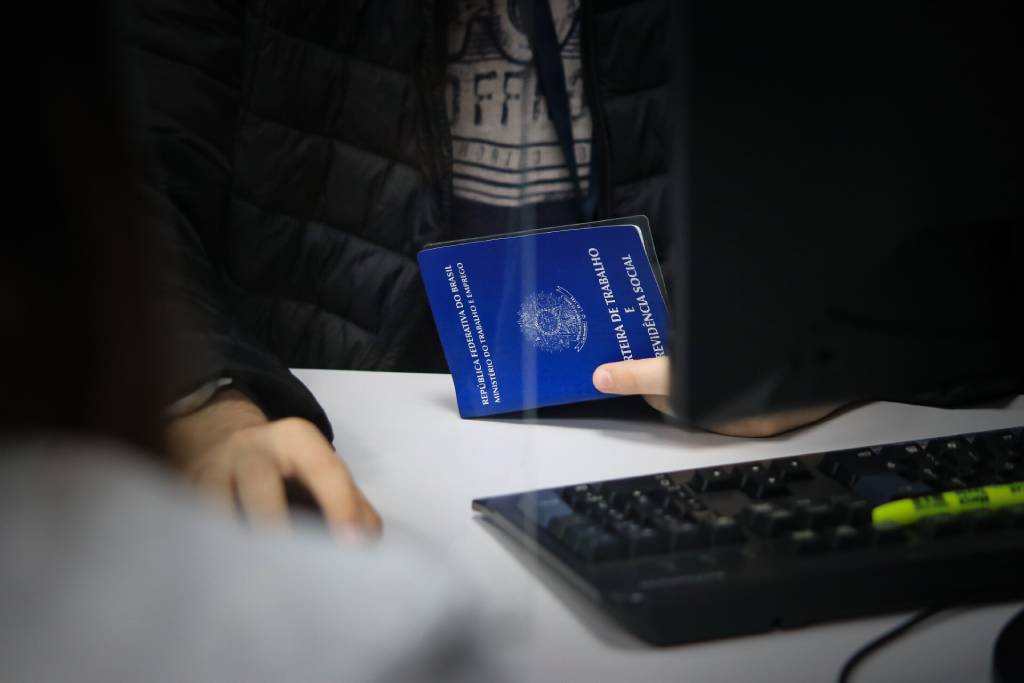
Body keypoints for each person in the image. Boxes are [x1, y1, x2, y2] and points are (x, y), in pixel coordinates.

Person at [126, 0, 841, 527]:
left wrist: (843, 343)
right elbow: (120, 178)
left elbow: (914, 169)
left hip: (691, 462)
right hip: (330, 448)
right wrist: (203, 396)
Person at [2, 6, 487, 680]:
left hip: (641, 446)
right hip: (297, 446)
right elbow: (142, 180)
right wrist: (206, 397)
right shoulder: (389, 631)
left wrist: (692, 339)